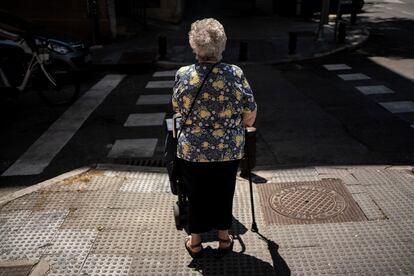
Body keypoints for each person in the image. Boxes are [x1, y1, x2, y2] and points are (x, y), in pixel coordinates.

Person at [172, 18, 257, 258]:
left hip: (192, 149)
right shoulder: (235, 73)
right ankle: (223, 238)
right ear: (221, 46)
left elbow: (177, 107)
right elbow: (249, 114)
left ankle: (196, 242)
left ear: (194, 46)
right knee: (223, 190)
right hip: (228, 149)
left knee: (195, 193)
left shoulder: (183, 74)